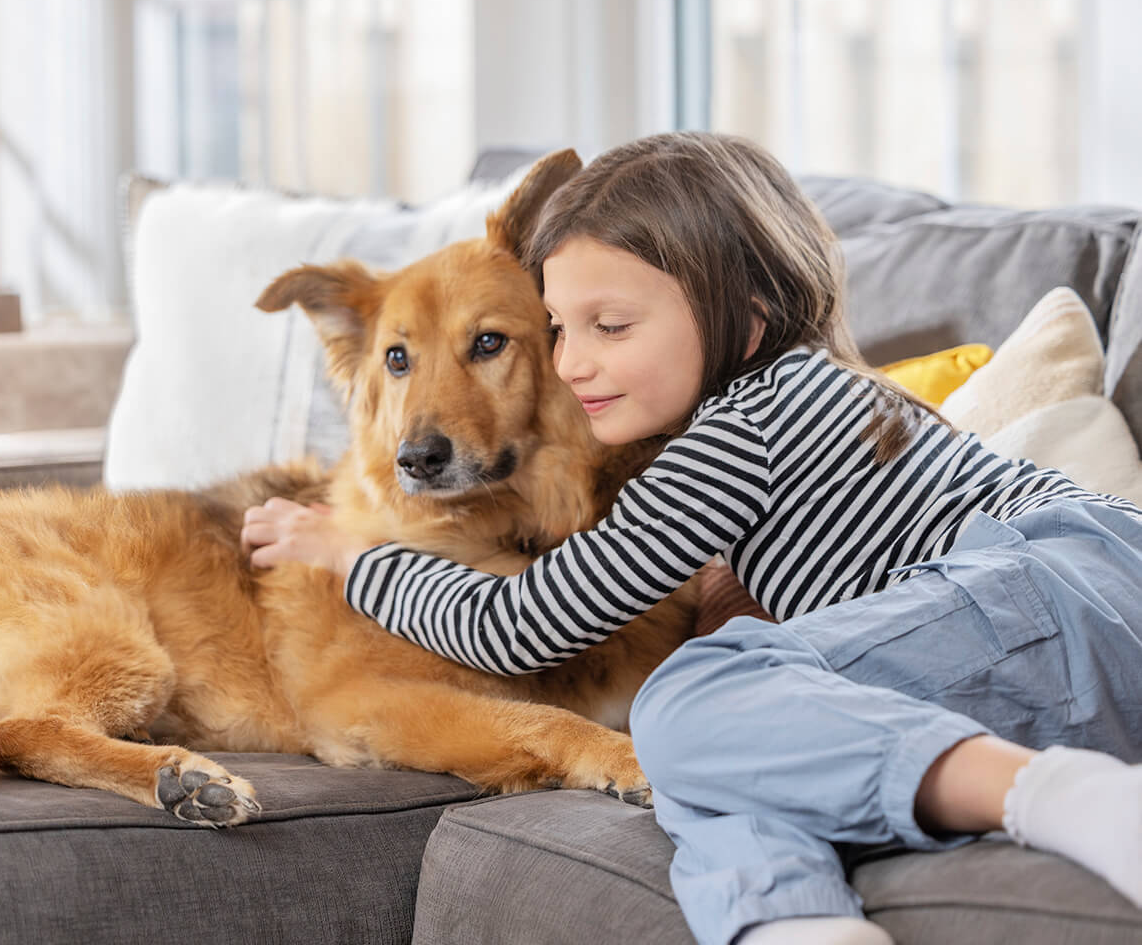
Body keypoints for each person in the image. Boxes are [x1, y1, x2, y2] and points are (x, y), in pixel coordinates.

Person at [239, 132, 1142, 945]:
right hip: (1035, 641)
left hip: (1068, 584)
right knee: (719, 762)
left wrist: (351, 557)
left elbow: (519, 627)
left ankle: (1074, 803)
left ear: (743, 318)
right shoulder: (788, 412)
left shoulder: (746, 426)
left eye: (610, 327)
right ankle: (790, 924)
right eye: (557, 329)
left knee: (690, 696)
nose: (571, 363)